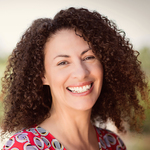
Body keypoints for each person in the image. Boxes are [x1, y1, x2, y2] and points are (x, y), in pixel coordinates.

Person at [1, 7, 149, 150]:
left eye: (89, 57)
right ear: (42, 76)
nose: (81, 72)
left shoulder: (113, 144)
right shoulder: (25, 146)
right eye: (63, 62)